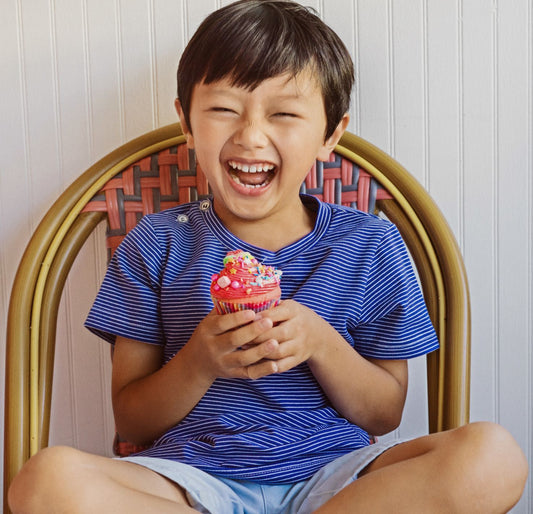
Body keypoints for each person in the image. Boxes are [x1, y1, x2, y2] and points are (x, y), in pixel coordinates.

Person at [8, 1, 528, 513]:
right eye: (224, 109)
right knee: (44, 482)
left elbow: (384, 413)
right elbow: (132, 421)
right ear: (186, 122)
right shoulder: (158, 242)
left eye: (283, 113)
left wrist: (321, 342)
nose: (251, 135)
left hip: (337, 484)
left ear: (331, 135)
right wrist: (199, 361)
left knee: (493, 457)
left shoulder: (368, 243)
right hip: (190, 482)